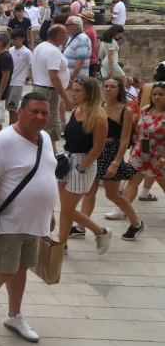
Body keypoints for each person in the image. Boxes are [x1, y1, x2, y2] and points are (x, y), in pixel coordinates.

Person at [0, 93, 57, 342]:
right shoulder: (2, 141)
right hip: (9, 220)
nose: (40, 117)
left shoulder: (45, 138)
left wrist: (50, 212)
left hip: (34, 221)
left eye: (45, 113)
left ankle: (14, 315)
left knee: (22, 267)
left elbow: (47, 174)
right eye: (35, 111)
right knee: (5, 269)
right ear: (21, 112)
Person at [77, 77, 144, 239]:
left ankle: (137, 224)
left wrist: (116, 162)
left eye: (112, 87)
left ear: (119, 90)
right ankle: (80, 227)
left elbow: (125, 139)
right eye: (106, 86)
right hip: (96, 150)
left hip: (113, 151)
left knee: (112, 194)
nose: (108, 89)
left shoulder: (125, 111)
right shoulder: (99, 107)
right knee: (89, 191)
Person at [56, 77, 112, 251]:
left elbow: (98, 147)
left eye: (78, 90)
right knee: (66, 208)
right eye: (73, 90)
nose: (73, 94)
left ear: (89, 93)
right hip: (67, 160)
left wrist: (82, 167)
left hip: (83, 163)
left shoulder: (99, 117)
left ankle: (101, 231)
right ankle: (62, 243)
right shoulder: (76, 110)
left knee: (68, 208)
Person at [123, 82, 165, 223]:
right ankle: (123, 209)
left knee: (162, 182)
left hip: (160, 154)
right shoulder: (146, 109)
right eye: (154, 94)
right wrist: (134, 145)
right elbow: (139, 129)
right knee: (132, 180)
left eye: (161, 94)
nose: (157, 97)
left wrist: (163, 159)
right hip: (141, 151)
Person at [31, 25, 72, 151]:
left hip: (41, 87)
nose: (67, 36)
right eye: (65, 33)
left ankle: (52, 151)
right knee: (48, 122)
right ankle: (44, 152)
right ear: (59, 35)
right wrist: (66, 98)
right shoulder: (53, 52)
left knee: (51, 121)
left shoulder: (41, 47)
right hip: (49, 90)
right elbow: (54, 76)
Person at [6, 29, 33, 123]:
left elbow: (32, 67)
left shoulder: (27, 52)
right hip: (7, 82)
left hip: (17, 84)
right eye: (12, 39)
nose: (13, 41)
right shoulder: (10, 50)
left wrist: (33, 82)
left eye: (16, 39)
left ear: (22, 39)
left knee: (12, 109)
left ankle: (13, 129)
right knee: (6, 108)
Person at [63, 16, 92, 82]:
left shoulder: (82, 39)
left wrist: (72, 79)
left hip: (77, 80)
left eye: (67, 25)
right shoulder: (72, 36)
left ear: (75, 26)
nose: (65, 27)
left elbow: (80, 62)